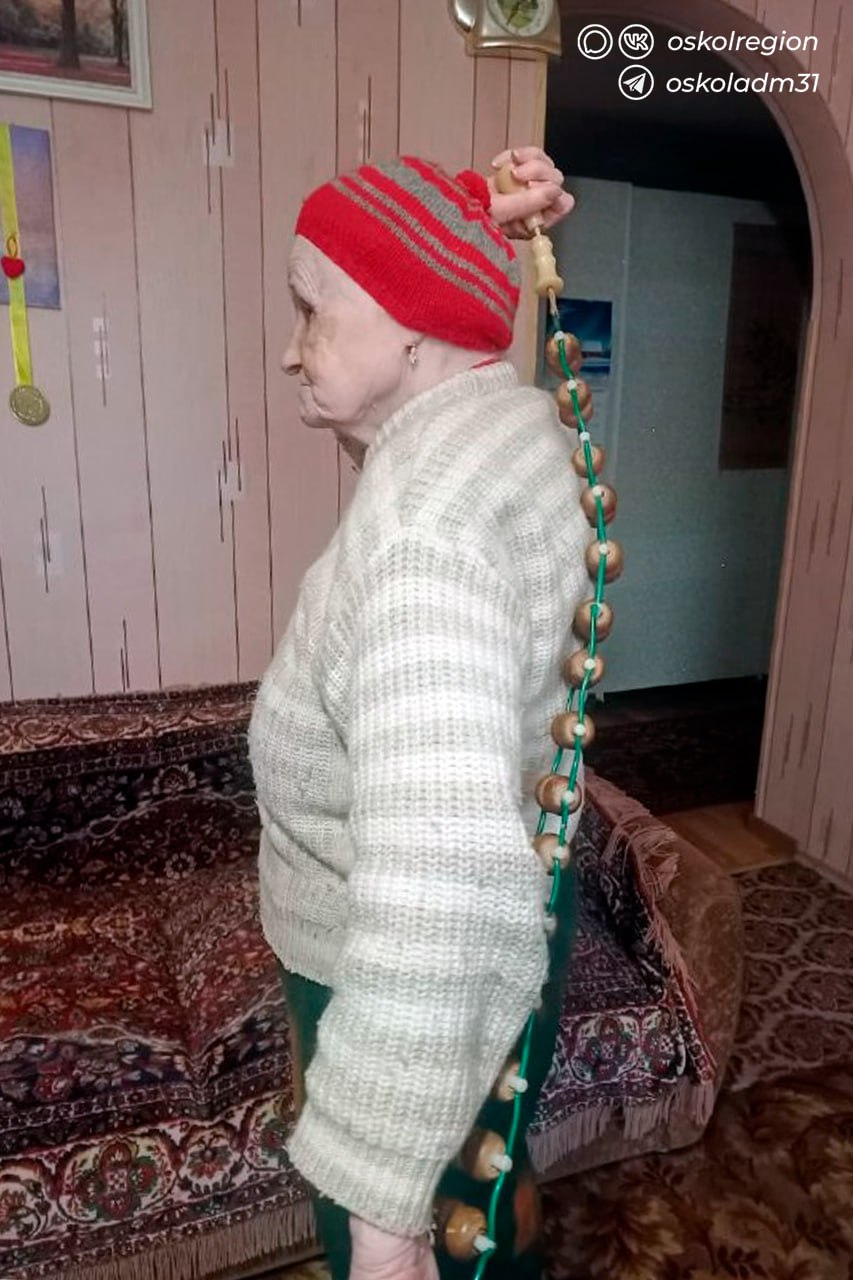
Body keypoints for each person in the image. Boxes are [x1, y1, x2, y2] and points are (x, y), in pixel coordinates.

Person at [248, 146, 591, 1280]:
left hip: (389, 966)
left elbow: (441, 876)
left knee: (444, 1226)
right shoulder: (514, 432)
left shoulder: (421, 542)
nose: (292, 346)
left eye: (312, 308)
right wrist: (477, 214)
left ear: (408, 330)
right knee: (493, 1183)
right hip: (515, 916)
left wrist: (384, 1226)